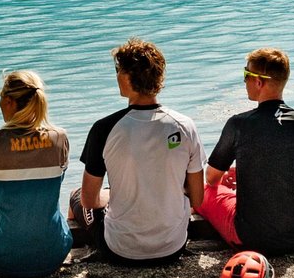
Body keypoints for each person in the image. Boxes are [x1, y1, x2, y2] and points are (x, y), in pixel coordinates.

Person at [71, 38, 204, 265]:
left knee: (76, 196)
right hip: (172, 246)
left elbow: (89, 200)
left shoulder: (104, 128)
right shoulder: (185, 125)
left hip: (120, 249)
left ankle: (78, 249)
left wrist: (113, 194)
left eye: (118, 70)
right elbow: (198, 199)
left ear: (125, 78)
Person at [196, 48, 294, 257]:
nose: (244, 81)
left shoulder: (239, 124)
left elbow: (212, 177)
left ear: (259, 82)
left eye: (246, 75)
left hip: (251, 239)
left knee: (206, 192)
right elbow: (290, 169)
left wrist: (229, 175)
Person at [0, 71, 72, 278]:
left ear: (8, 101)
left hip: (1, 260)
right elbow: (57, 180)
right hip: (54, 254)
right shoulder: (59, 139)